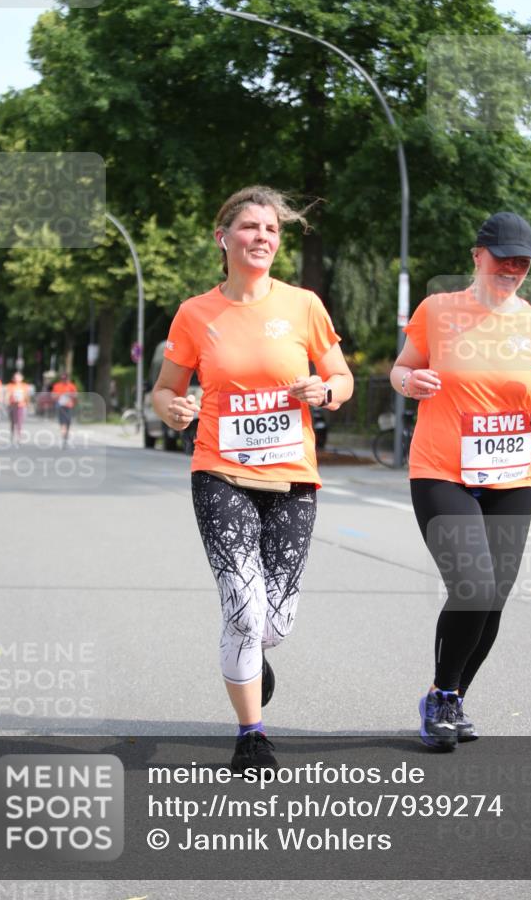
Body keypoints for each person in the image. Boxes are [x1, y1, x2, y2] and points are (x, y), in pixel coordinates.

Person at [153, 186, 354, 773]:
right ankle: (251, 734)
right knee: (243, 606)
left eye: (271, 229)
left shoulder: (303, 306)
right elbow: (164, 388)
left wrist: (327, 391)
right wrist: (172, 407)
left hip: (292, 477)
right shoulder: (196, 313)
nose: (262, 237)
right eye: (249, 227)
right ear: (224, 238)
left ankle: (253, 653)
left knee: (275, 620)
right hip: (220, 472)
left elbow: (339, 377)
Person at [390, 212, 531, 750]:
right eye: (503, 259)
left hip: (511, 478)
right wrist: (412, 381)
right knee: (472, 585)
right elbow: (400, 371)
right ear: (477, 255)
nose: (512, 269)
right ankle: (443, 695)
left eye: (522, 263)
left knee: (493, 597)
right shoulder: (437, 311)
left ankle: (448, 696)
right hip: (441, 470)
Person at [51, 372, 78, 447]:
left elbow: (76, 395)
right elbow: (53, 396)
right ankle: (64, 437)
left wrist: (70, 395)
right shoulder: (57, 386)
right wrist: (58, 396)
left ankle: (66, 434)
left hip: (69, 406)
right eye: (62, 378)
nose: (64, 380)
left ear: (67, 378)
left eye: (65, 378)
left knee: (68, 421)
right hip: (60, 406)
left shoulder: (71, 386)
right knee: (62, 422)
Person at [5, 371, 31, 445]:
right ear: (13, 378)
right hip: (12, 405)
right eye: (15, 377)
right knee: (12, 422)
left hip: (21, 405)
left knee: (19, 422)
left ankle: (19, 437)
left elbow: (27, 396)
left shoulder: (24, 386)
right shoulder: (10, 386)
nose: (17, 379)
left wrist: (28, 403)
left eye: (18, 377)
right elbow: (8, 395)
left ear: (21, 378)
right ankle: (12, 435)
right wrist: (7, 402)